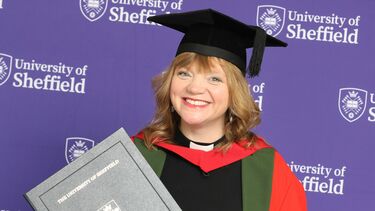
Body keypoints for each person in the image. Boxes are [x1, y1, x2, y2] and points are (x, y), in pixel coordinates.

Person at [132, 9, 307, 211]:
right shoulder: (137, 156)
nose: (195, 88)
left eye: (214, 78)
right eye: (184, 73)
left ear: (234, 92)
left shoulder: (267, 169)